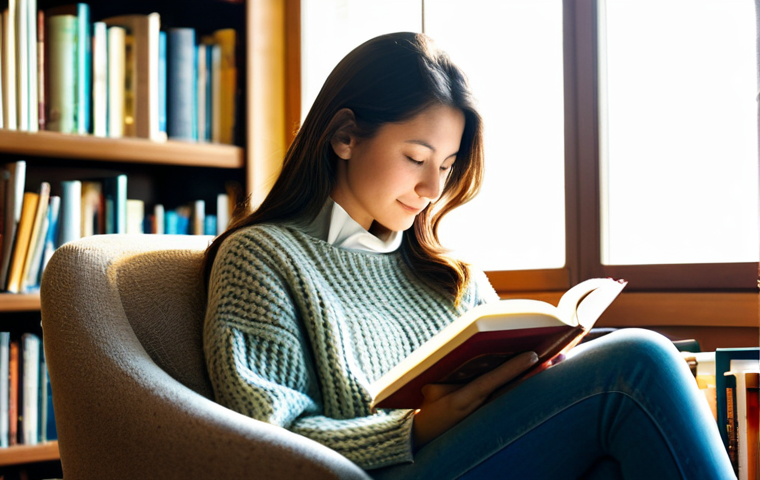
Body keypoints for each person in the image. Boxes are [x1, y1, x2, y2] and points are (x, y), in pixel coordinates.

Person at [202, 32, 735, 479]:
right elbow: (270, 436)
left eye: (449, 165)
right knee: (638, 359)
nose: (434, 188)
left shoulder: (451, 276)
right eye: (416, 157)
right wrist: (415, 427)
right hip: (388, 471)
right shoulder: (262, 257)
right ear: (344, 136)